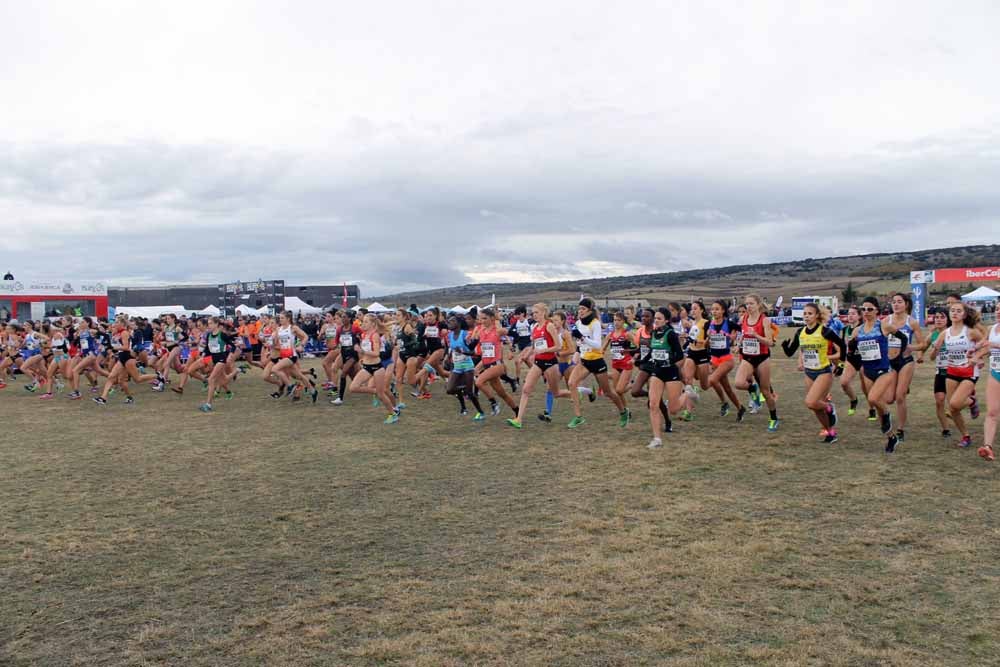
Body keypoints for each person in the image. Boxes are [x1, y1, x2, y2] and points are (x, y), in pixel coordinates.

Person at [780, 303, 845, 443]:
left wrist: (841, 364)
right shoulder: (800, 332)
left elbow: (842, 345)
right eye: (805, 314)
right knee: (815, 408)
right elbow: (791, 352)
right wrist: (785, 347)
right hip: (809, 372)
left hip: (823, 372)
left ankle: (829, 407)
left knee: (811, 402)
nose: (806, 316)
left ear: (817, 316)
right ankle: (830, 432)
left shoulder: (824, 331)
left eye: (810, 313)